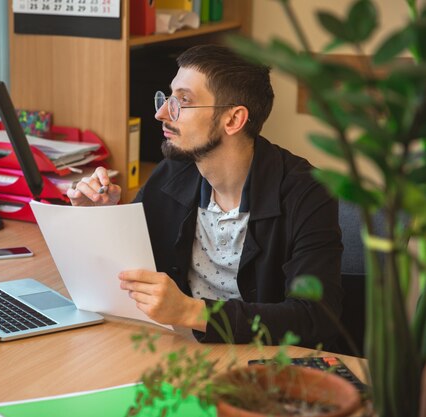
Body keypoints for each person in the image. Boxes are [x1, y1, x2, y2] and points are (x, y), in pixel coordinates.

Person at [67, 45, 343, 348]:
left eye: (183, 101)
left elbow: (315, 317)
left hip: (264, 363)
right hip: (180, 350)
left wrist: (189, 311)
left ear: (233, 120)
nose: (161, 113)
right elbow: (129, 275)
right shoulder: (172, 173)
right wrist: (101, 216)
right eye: (168, 98)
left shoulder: (307, 194)